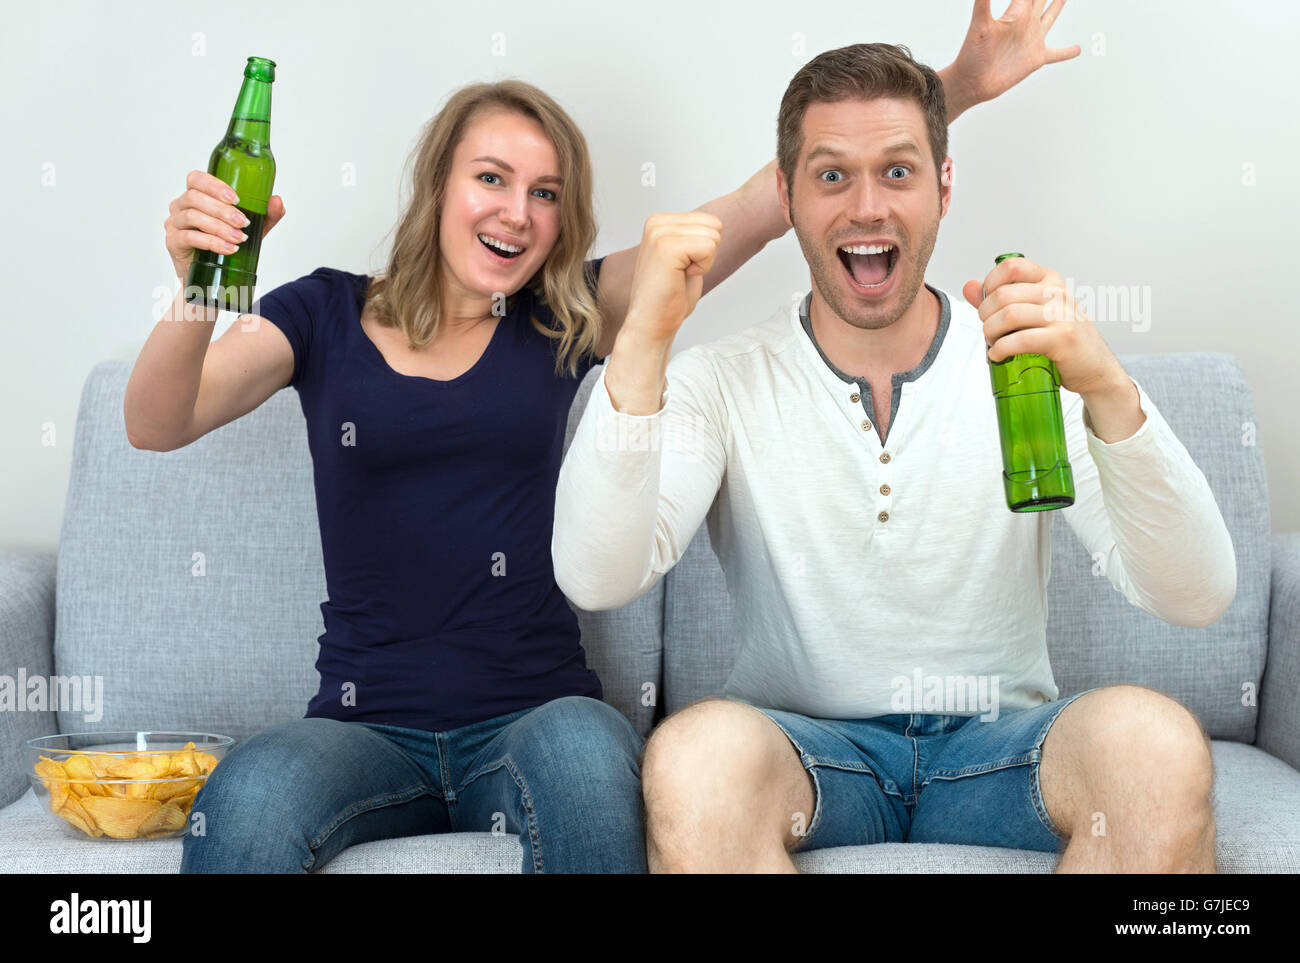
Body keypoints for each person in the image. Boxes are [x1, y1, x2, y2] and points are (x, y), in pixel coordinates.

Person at [125, 3, 1078, 873]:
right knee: (243, 802)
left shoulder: (563, 314)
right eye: (491, 178)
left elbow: (771, 198)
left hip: (540, 713)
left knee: (589, 782)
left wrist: (946, 92)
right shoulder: (322, 313)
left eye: (546, 193)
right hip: (359, 722)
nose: (516, 210)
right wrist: (201, 280)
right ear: (438, 186)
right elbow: (158, 422)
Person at [552, 39, 1236, 874]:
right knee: (693, 757)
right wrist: (644, 341)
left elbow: (1198, 594)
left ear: (945, 187)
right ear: (789, 197)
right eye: (832, 175)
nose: (868, 207)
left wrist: (1107, 389)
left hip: (1001, 750)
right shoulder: (722, 380)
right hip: (805, 759)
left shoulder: (1026, 366)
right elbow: (597, 576)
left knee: (1156, 744)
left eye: (900, 172)